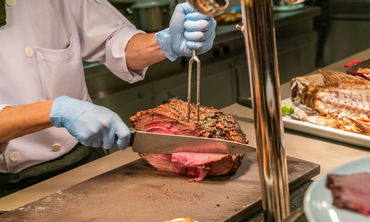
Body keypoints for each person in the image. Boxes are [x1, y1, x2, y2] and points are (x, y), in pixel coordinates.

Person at [0, 0, 216, 196]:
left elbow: (112, 38)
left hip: (84, 159)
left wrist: (165, 42)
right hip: (7, 187)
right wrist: (56, 112)